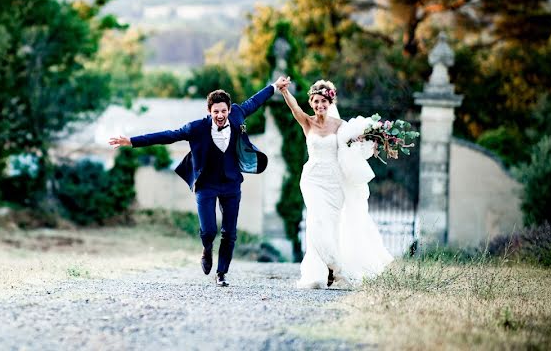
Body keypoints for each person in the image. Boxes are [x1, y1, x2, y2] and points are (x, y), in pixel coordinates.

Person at [109, 77, 287, 287]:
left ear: (229, 110)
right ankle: (206, 249)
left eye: (223, 111)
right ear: (209, 111)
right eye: (216, 112)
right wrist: (132, 141)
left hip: (231, 184)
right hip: (206, 184)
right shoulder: (196, 128)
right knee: (209, 230)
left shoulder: (238, 114)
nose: (220, 115)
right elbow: (168, 136)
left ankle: (221, 273)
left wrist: (274, 87)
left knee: (229, 233)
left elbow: (254, 101)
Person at [278, 78, 393, 288]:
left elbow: (354, 143)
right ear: (311, 103)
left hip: (334, 181)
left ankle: (329, 269)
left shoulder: (340, 126)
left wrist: (373, 139)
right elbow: (294, 107)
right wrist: (284, 91)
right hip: (312, 179)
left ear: (330, 103)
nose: (320, 105)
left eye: (323, 101)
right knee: (316, 221)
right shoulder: (307, 122)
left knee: (330, 225)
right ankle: (335, 267)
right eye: (315, 101)